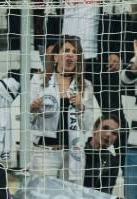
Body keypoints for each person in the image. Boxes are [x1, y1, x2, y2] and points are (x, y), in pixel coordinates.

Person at [29, 35, 94, 183]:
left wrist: (80, 107)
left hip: (73, 153)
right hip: (44, 153)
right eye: (66, 50)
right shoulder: (39, 80)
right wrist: (32, 109)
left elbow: (87, 125)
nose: (70, 54)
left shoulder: (86, 85)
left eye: (74, 51)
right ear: (56, 57)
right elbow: (26, 119)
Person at [83, 114, 121, 194]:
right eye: (105, 128)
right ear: (94, 129)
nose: (108, 134)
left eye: (114, 133)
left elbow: (105, 193)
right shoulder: (78, 150)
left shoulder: (112, 161)